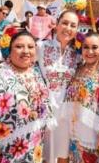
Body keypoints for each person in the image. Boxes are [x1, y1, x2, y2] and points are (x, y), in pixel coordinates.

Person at [0, 31, 54, 163]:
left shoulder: (37, 71)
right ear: (9, 50)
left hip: (34, 149)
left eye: (30, 47)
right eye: (19, 47)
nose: (26, 51)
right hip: (6, 151)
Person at [63, 32, 99, 163]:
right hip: (73, 136)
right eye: (86, 47)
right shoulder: (76, 69)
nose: (90, 51)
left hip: (95, 138)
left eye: (95, 47)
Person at [37, 10, 80, 163]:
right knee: (42, 154)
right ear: (56, 25)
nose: (68, 28)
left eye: (73, 25)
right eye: (65, 23)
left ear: (76, 31)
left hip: (66, 113)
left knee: (63, 153)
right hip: (43, 109)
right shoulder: (40, 47)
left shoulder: (77, 54)